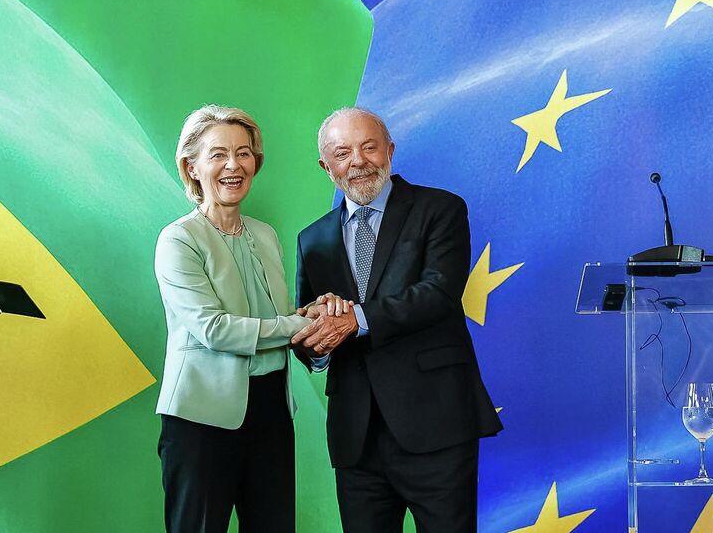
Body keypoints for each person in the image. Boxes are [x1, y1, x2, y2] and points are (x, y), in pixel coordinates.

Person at [290, 107, 503, 532]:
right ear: (325, 165)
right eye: (343, 152)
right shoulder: (312, 239)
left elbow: (439, 293)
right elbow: (310, 325)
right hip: (357, 438)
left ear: (389, 150)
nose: (358, 161)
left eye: (369, 147)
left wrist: (356, 319)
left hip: (436, 424)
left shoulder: (440, 209)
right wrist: (314, 342)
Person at [154, 104, 351, 533]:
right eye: (218, 154)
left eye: (244, 153)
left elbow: (276, 320)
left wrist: (316, 323)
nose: (234, 165)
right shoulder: (178, 239)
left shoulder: (265, 234)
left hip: (271, 412)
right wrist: (301, 324)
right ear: (191, 166)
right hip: (200, 417)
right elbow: (213, 329)